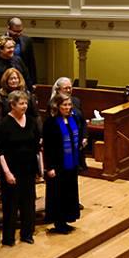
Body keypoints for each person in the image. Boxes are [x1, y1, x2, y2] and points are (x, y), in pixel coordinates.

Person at [0, 90, 42, 246]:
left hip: (28, 168)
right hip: (12, 170)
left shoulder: (30, 121)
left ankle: (27, 233)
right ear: (12, 105)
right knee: (11, 204)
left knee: (28, 203)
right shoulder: (4, 124)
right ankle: (8, 238)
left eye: (26, 103)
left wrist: (38, 169)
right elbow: (0, 151)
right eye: (21, 103)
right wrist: (7, 173)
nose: (25, 106)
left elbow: (36, 147)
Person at [42, 92, 83, 234]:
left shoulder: (73, 119)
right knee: (58, 194)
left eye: (69, 104)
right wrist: (49, 167)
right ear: (57, 106)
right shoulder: (51, 123)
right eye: (64, 105)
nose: (67, 107)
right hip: (57, 165)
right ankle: (58, 222)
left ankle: (67, 219)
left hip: (71, 164)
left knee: (69, 192)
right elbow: (48, 147)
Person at [0, 36, 33, 114]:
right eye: (8, 48)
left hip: (22, 99)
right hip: (6, 103)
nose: (12, 50)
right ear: (1, 49)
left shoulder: (18, 60)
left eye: (13, 47)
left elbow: (27, 78)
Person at [0, 17, 37, 85]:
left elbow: (31, 63)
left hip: (21, 77)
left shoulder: (27, 40)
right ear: (8, 28)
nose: (18, 34)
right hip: (2, 77)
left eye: (20, 31)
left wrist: (33, 82)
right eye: (15, 31)